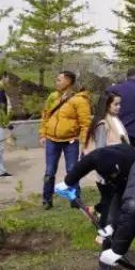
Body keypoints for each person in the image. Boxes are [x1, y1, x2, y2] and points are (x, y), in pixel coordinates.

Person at [62, 143, 135, 270]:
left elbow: (133, 209)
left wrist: (117, 230)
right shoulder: (102, 157)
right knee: (109, 220)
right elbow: (85, 164)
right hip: (122, 182)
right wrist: (67, 182)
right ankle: (105, 268)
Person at [39, 70, 91, 210]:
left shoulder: (80, 100)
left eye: (59, 79)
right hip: (51, 140)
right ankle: (46, 200)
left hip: (71, 141)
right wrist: (43, 134)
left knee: (72, 170)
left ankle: (75, 199)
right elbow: (46, 116)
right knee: (49, 171)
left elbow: (85, 124)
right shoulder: (53, 97)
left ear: (68, 82)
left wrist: (84, 144)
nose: (56, 82)